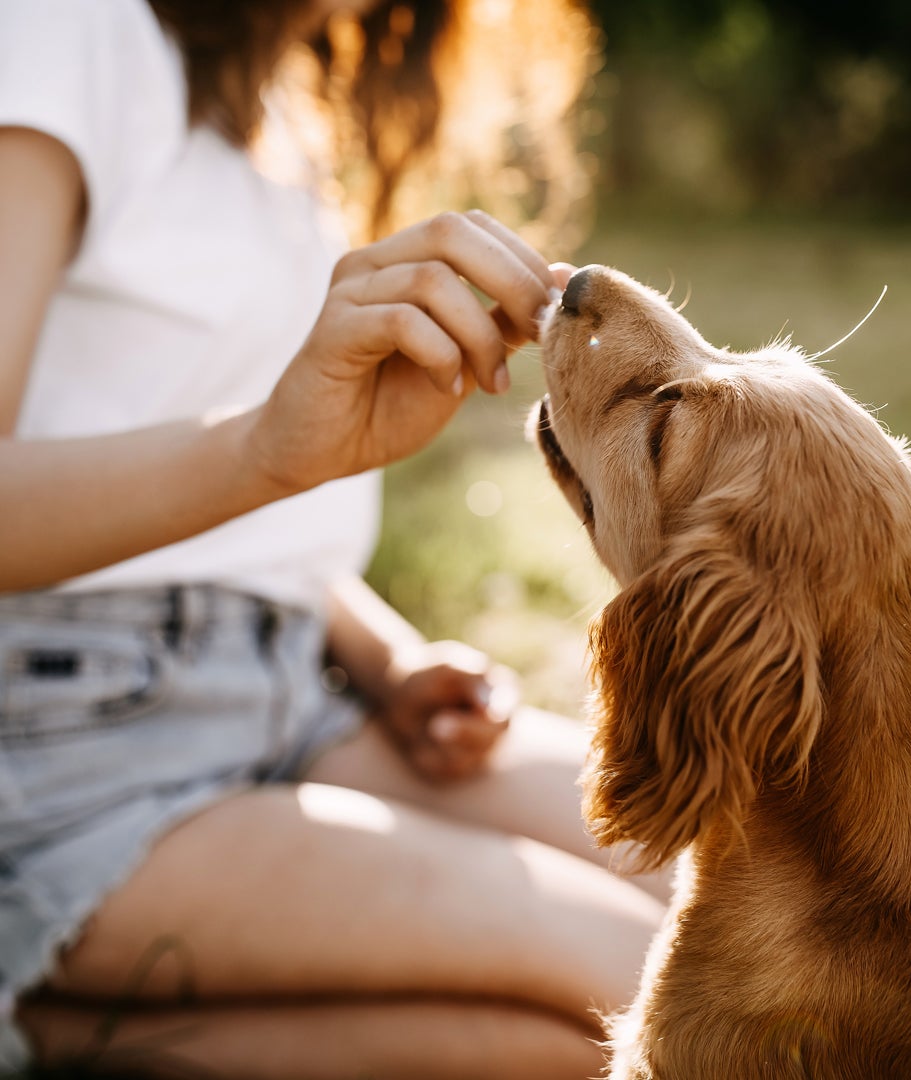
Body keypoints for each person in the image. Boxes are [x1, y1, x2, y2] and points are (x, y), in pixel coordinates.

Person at [0, 1, 664, 1076]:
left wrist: (385, 659)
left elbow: (227, 539)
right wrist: (267, 447)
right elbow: (236, 461)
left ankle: (63, 1019)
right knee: (646, 993)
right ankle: (44, 984)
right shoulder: (69, 29)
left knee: (744, 893)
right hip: (68, 742)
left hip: (296, 691)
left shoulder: (283, 96)